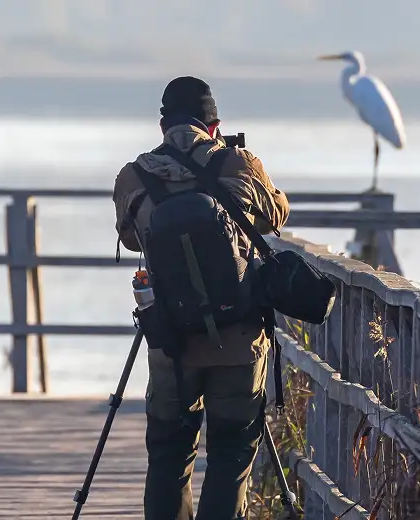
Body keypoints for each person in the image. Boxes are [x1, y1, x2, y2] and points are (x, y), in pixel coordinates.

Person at [112, 76, 290, 520]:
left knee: (169, 456)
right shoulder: (239, 164)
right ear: (215, 126)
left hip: (171, 341)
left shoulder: (134, 175)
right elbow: (277, 215)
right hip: (239, 337)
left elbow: (131, 239)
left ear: (162, 127)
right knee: (230, 455)